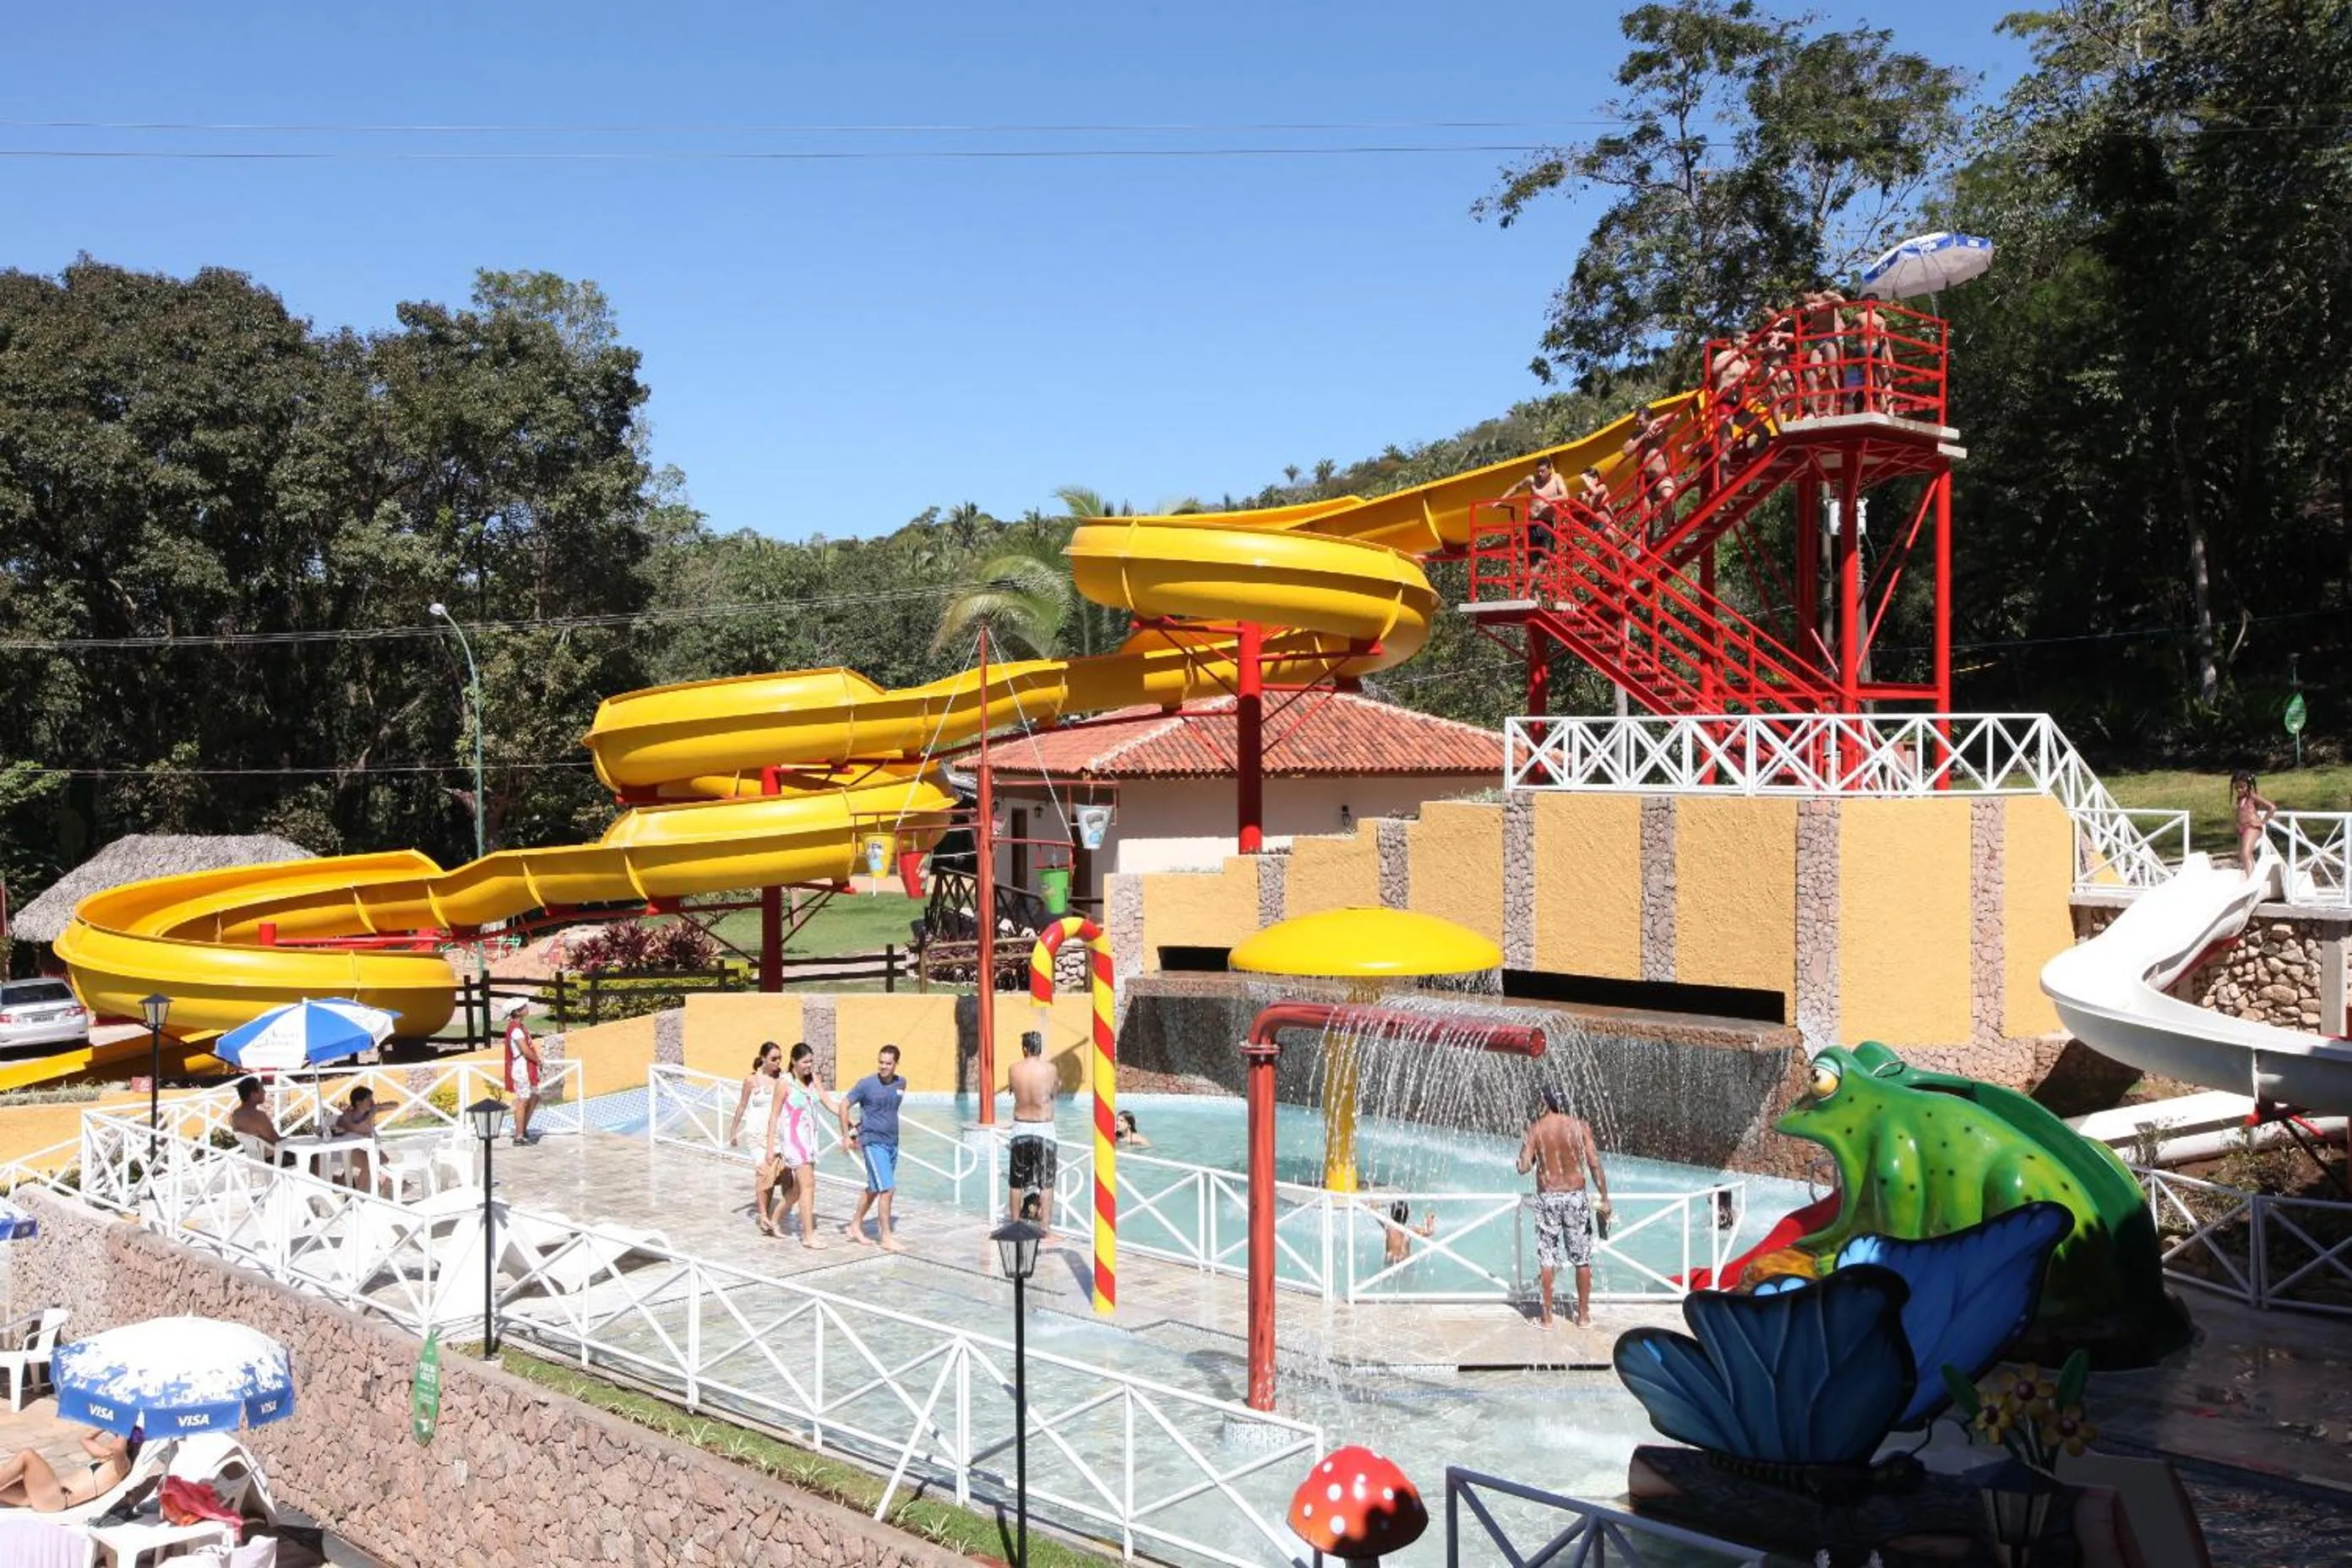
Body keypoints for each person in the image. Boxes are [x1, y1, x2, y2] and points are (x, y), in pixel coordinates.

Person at [1517, 1086, 1612, 1330]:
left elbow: (1524, 1166)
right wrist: (1604, 1197)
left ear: (1545, 1102)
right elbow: (1594, 1164)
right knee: (1582, 1260)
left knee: (1547, 1258)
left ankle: (1547, 1319)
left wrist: (1526, 1155)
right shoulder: (1580, 1127)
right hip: (1576, 1197)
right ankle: (1583, 1317)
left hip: (1549, 1197)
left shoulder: (1536, 1128)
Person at [767, 1043, 839, 1246]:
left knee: (799, 1188)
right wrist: (771, 1148)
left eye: (811, 1061)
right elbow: (773, 1116)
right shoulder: (784, 1083)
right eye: (805, 1062)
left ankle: (773, 1221)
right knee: (809, 1186)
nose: (809, 1066)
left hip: (810, 1139)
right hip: (793, 1140)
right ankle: (808, 1236)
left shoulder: (813, 1080)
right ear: (794, 1062)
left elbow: (827, 1102)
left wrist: (847, 1117)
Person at [841, 1043, 907, 1251]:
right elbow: (844, 1105)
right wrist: (846, 1135)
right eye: (881, 1062)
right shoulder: (866, 1084)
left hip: (892, 1143)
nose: (883, 1067)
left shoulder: (901, 1083)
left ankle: (855, 1226)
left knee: (874, 1188)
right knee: (887, 1189)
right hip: (872, 1142)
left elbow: (886, 1110)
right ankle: (886, 1237)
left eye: (888, 1063)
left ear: (896, 1063)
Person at [0, 1427, 139, 1511]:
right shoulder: (106, 1456)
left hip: (58, 1499)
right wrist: (108, 1422)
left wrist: (123, 1424)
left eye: (116, 1436)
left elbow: (118, 1448)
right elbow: (85, 1438)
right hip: (43, 1497)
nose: (113, 1438)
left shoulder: (122, 1467)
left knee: (27, 1456)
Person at [1007, 1029, 1061, 1236]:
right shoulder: (1050, 1069)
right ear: (1039, 1048)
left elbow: (1014, 1091)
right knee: (1046, 1183)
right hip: (1044, 1128)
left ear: (1024, 1049)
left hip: (1020, 1127)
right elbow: (1054, 1094)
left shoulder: (1013, 1068)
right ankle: (1045, 1229)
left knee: (1016, 1181)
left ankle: (1015, 1225)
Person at [1498, 457, 1571, 570]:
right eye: (1538, 471)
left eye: (1543, 471)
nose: (1540, 474)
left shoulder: (1557, 479)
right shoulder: (1532, 479)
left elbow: (1565, 496)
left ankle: (1528, 587)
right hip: (1532, 523)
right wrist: (1501, 499)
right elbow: (1517, 487)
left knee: (1544, 559)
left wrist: (1548, 500)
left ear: (1550, 469)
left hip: (1546, 523)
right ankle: (1531, 584)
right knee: (1532, 558)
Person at [500, 995, 542, 1146]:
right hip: (522, 1067)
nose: (526, 1008)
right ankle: (519, 1135)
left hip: (525, 1066)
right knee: (523, 1100)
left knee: (534, 1097)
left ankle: (523, 1129)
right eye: (523, 1007)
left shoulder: (519, 1028)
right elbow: (525, 1049)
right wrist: (537, 1060)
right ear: (517, 1012)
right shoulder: (516, 1030)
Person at [727, 1042, 784, 1148]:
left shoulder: (783, 1079)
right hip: (756, 1133)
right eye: (774, 1059)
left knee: (776, 1164)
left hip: (778, 1133)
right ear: (763, 1058)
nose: (778, 1062)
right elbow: (742, 1106)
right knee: (763, 1164)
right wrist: (733, 1131)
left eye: (780, 1058)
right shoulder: (751, 1080)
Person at [330, 1085, 383, 1191]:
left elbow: (395, 1105)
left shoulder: (366, 1112)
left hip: (363, 1146)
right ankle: (359, 1197)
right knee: (370, 1165)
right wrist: (371, 1114)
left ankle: (354, 1188)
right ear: (359, 1103)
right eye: (369, 1100)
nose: (372, 1102)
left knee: (382, 1160)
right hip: (347, 1148)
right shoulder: (348, 1115)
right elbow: (356, 1128)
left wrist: (378, 1108)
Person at [228, 1075, 286, 1163]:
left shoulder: (233, 1115)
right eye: (262, 1089)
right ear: (253, 1095)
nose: (265, 1092)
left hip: (254, 1159)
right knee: (313, 1157)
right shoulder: (258, 1116)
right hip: (273, 1160)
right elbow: (277, 1140)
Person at [2233, 771, 2278, 876]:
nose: (2239, 790)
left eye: (2242, 787)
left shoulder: (2252, 796)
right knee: (2244, 855)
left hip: (2252, 826)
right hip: (2243, 828)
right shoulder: (2239, 798)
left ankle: (2250, 882)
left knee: (2246, 853)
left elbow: (2272, 808)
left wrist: (2263, 822)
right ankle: (2252, 876)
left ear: (2248, 785)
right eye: (2236, 787)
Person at [1380, 1199, 1437, 1267]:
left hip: (1391, 1260)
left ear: (1392, 1214)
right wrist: (1430, 1219)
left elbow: (1374, 1212)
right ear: (1407, 1215)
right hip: (1405, 1261)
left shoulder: (1388, 1227)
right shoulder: (1409, 1230)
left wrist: (1375, 1205)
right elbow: (1430, 1232)